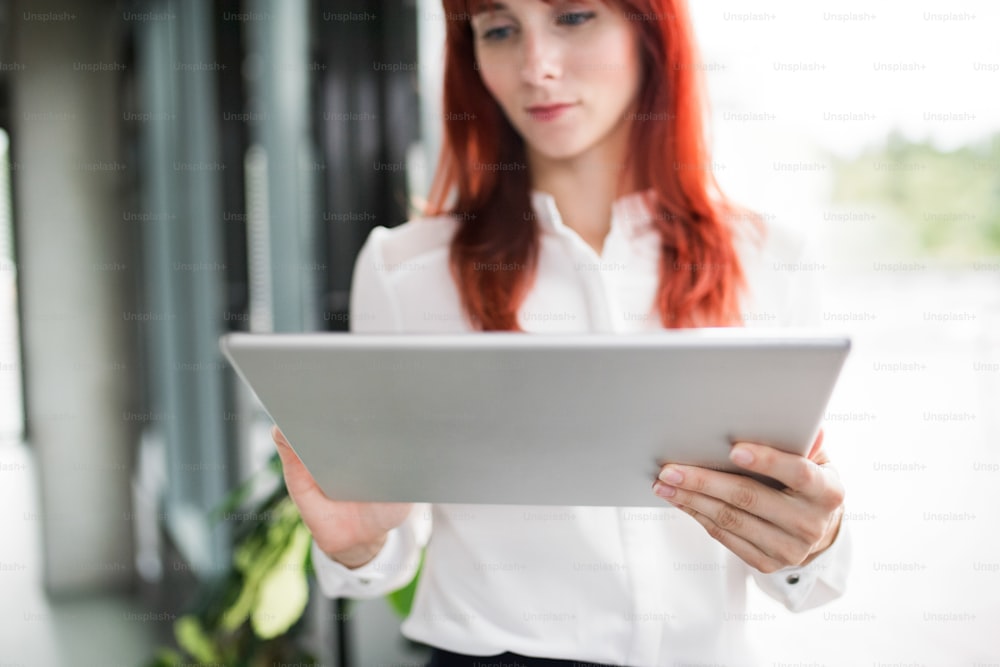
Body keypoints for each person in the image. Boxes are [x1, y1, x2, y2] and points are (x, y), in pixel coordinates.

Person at [272, 0, 849, 665]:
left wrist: (815, 542)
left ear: (651, 29)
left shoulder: (770, 256)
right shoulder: (404, 271)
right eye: (499, 30)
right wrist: (358, 543)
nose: (536, 67)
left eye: (574, 17)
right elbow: (389, 547)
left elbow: (817, 566)